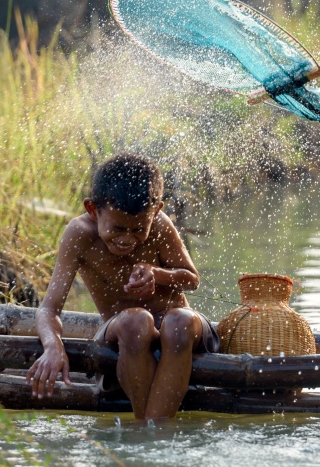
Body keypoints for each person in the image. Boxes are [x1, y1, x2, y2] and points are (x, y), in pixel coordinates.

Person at [26, 153, 218, 421]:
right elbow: (49, 308)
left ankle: (148, 433)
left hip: (181, 336)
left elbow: (191, 279)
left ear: (157, 211)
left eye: (139, 229)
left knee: (179, 321)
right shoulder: (79, 234)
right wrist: (52, 345)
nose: (128, 239)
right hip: (125, 338)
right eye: (117, 228)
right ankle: (153, 431)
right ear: (93, 210)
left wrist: (157, 274)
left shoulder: (161, 226)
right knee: (135, 321)